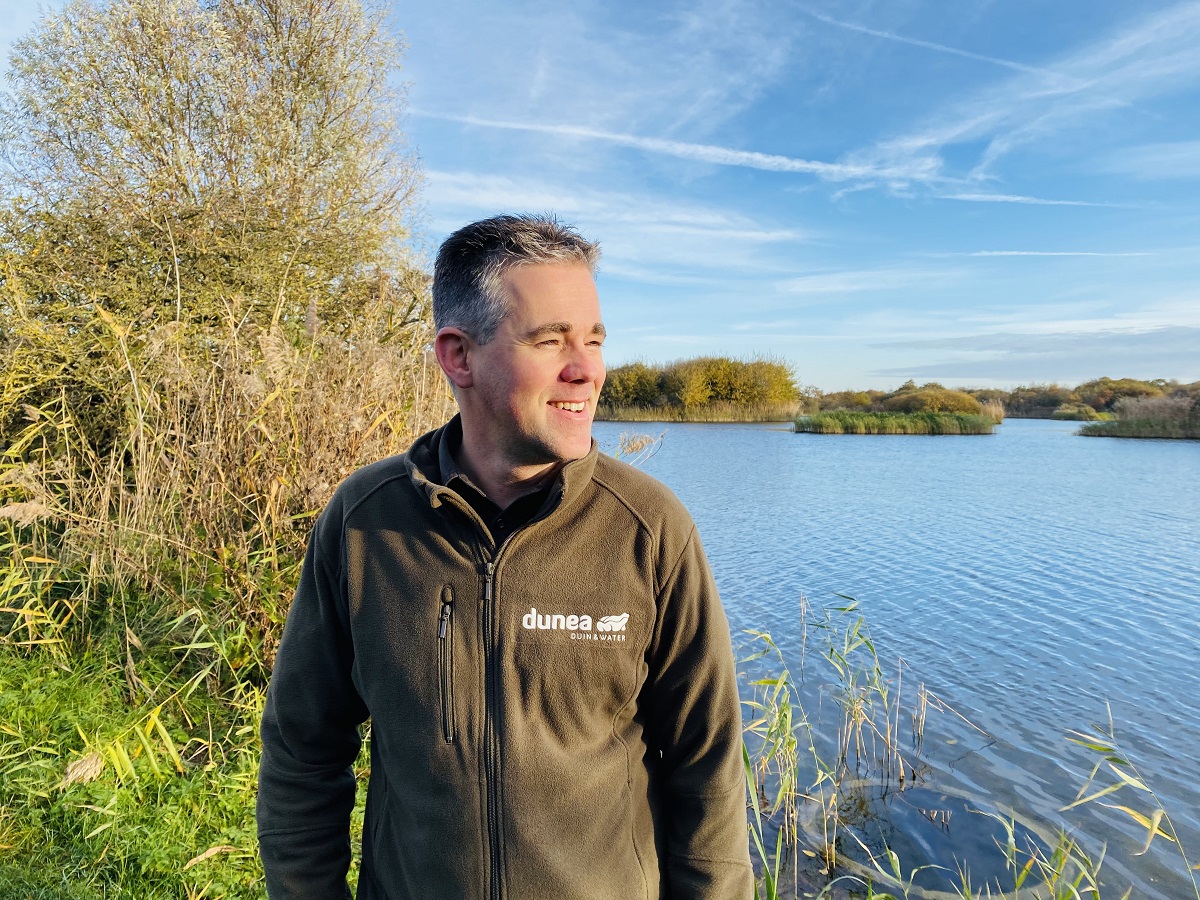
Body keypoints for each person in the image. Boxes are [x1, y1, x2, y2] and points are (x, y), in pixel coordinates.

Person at [257, 214, 754, 900]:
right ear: (458, 355)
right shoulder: (365, 522)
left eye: (594, 340)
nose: (586, 370)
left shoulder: (648, 527)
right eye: (550, 341)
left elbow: (709, 764)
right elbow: (303, 748)